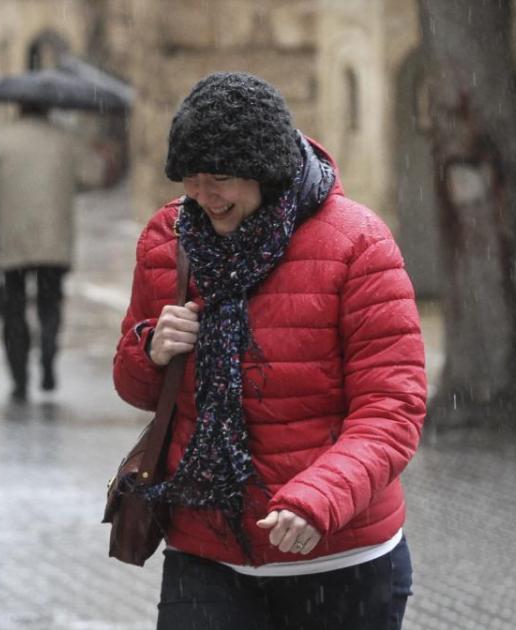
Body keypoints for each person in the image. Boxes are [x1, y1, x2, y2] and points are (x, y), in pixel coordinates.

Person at [112, 72, 426, 630]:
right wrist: (151, 352)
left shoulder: (358, 244)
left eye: (223, 178)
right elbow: (136, 389)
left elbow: (392, 408)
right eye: (192, 178)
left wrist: (319, 497)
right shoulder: (168, 241)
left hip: (340, 557)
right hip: (205, 552)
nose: (204, 196)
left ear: (267, 171)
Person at [0, 103, 101, 402]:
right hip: (53, 239)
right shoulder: (64, 140)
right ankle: (47, 354)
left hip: (12, 239)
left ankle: (19, 378)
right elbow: (92, 175)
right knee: (50, 302)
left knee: (14, 308)